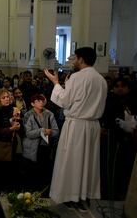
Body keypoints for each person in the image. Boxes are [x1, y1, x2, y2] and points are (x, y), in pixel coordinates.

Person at [44, 47, 108, 211]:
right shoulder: (101, 79)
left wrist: (56, 83)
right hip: (93, 125)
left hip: (77, 125)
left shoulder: (77, 77)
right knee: (88, 162)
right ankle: (83, 197)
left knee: (71, 161)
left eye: (74, 58)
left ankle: (71, 197)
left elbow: (65, 102)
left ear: (81, 59)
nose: (72, 61)